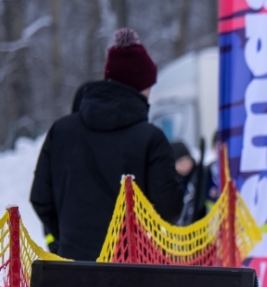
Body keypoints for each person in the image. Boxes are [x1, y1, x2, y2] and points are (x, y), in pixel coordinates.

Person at [30, 28, 182, 260]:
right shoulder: (151, 139)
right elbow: (170, 208)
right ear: (140, 86)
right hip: (132, 268)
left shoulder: (60, 131)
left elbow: (41, 197)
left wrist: (62, 242)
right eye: (150, 85)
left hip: (70, 268)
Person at [170, 140, 215, 226]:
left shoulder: (201, 175)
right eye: (179, 162)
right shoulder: (174, 181)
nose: (184, 165)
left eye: (186, 160)